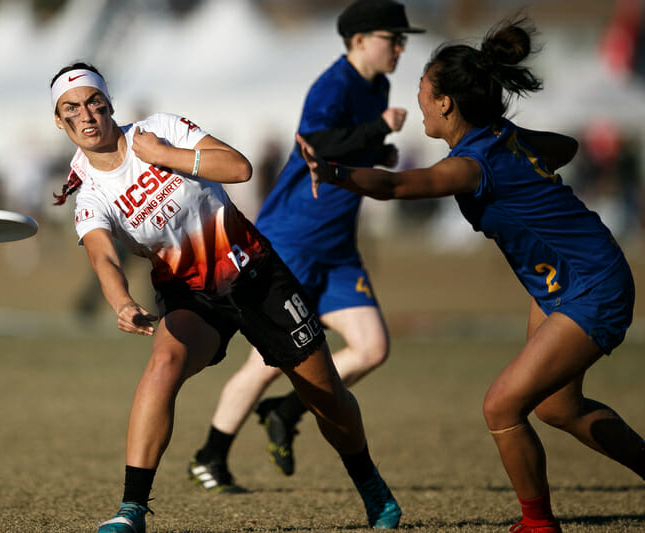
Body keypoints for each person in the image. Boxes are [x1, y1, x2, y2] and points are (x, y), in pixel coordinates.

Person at [296, 16, 645, 533]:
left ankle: (538, 525)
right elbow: (565, 149)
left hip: (592, 284)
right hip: (566, 280)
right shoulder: (501, 139)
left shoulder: (471, 165)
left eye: (423, 84)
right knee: (556, 406)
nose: (416, 91)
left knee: (501, 407)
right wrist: (534, 170)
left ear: (444, 103)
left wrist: (334, 172)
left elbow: (396, 188)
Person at [49, 62, 405, 533]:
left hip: (256, 274)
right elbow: (104, 259)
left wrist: (166, 156)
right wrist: (122, 303)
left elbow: (239, 167)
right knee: (162, 367)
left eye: (94, 102)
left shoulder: (159, 130)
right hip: (190, 294)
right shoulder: (89, 191)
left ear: (109, 103)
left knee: (325, 397)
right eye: (71, 108)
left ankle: (372, 488)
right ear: (60, 121)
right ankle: (131, 511)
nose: (87, 115)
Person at [189, 0, 424, 492]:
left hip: (337, 247)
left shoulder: (377, 85)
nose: (400, 46)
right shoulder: (333, 84)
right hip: (292, 241)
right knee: (265, 363)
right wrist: (379, 129)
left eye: (403, 39)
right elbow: (318, 144)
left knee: (372, 346)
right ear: (359, 40)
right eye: (391, 37)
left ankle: (288, 409)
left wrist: (378, 151)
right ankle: (209, 457)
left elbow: (348, 149)